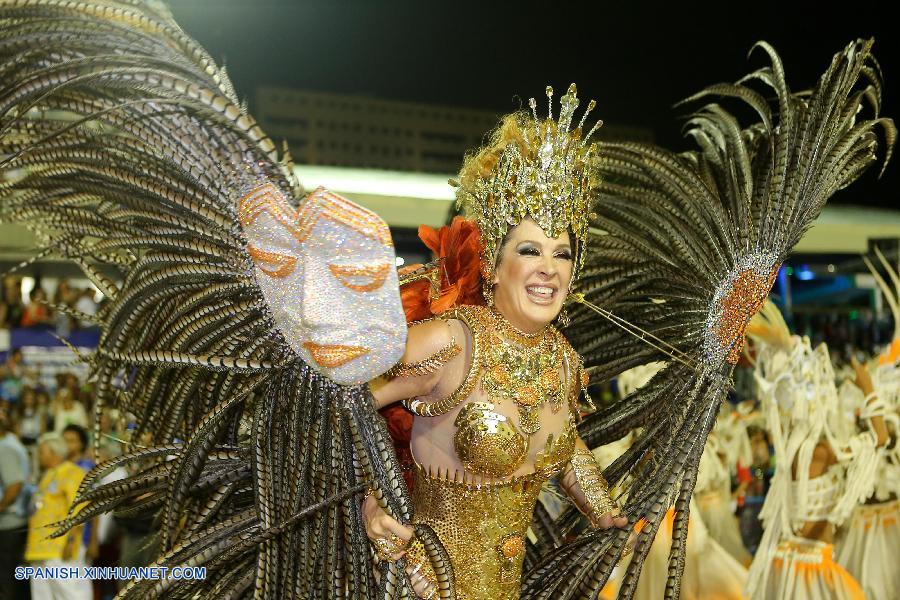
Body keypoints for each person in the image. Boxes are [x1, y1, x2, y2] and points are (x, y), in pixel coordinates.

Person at [365, 91, 627, 600]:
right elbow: (341, 402)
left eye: (563, 253)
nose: (548, 268)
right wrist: (373, 501)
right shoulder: (453, 342)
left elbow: (561, 444)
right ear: (492, 263)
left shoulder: (563, 362)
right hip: (415, 585)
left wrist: (603, 509)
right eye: (530, 250)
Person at [747, 304, 889, 600]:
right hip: (811, 572)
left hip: (785, 564)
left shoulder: (789, 448)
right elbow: (880, 437)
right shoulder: (823, 451)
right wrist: (867, 386)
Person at [25, 432, 91, 600]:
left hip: (61, 547)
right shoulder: (48, 475)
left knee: (71, 593)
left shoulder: (73, 472)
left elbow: (79, 509)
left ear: (53, 452)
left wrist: (71, 540)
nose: (39, 456)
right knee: (42, 595)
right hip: (39, 548)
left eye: (42, 452)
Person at [0, 407, 31, 600]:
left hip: (8, 523)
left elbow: (14, 485)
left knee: (6, 578)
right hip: (13, 523)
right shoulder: (10, 443)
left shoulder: (5, 448)